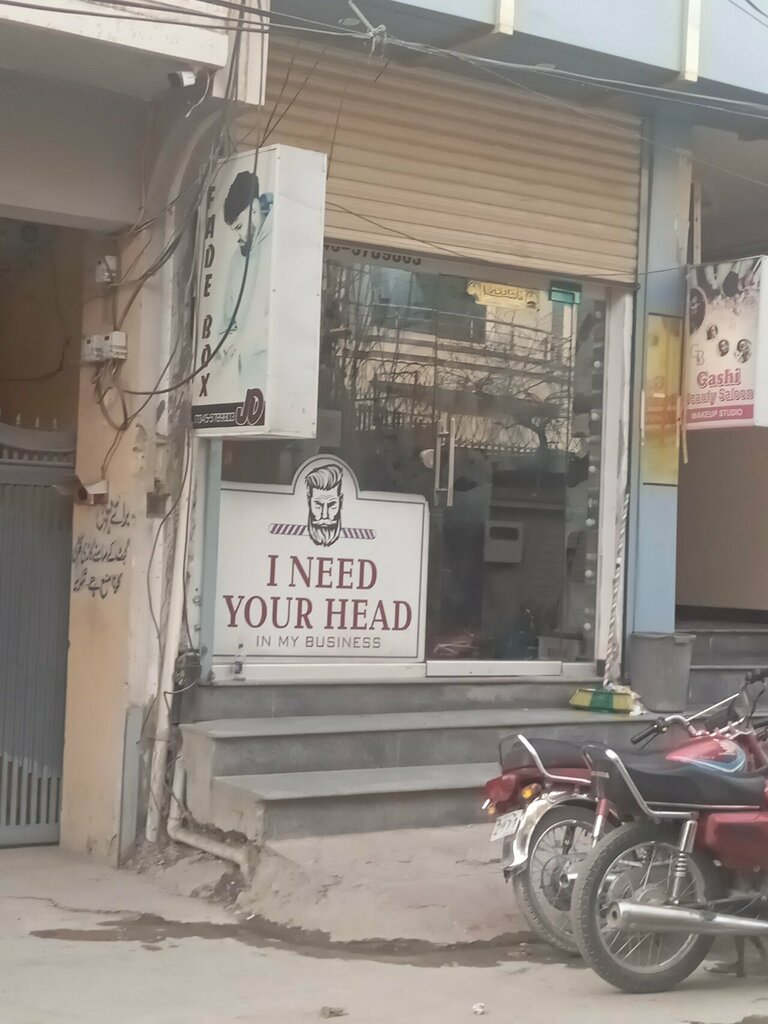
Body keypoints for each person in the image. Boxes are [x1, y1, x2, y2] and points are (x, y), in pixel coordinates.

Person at [218, 169, 274, 386]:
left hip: (274, 382)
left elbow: (282, 319)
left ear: (253, 210)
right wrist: (225, 343)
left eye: (239, 227)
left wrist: (242, 341)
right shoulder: (236, 261)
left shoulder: (281, 240)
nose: (238, 237)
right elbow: (227, 320)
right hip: (246, 389)